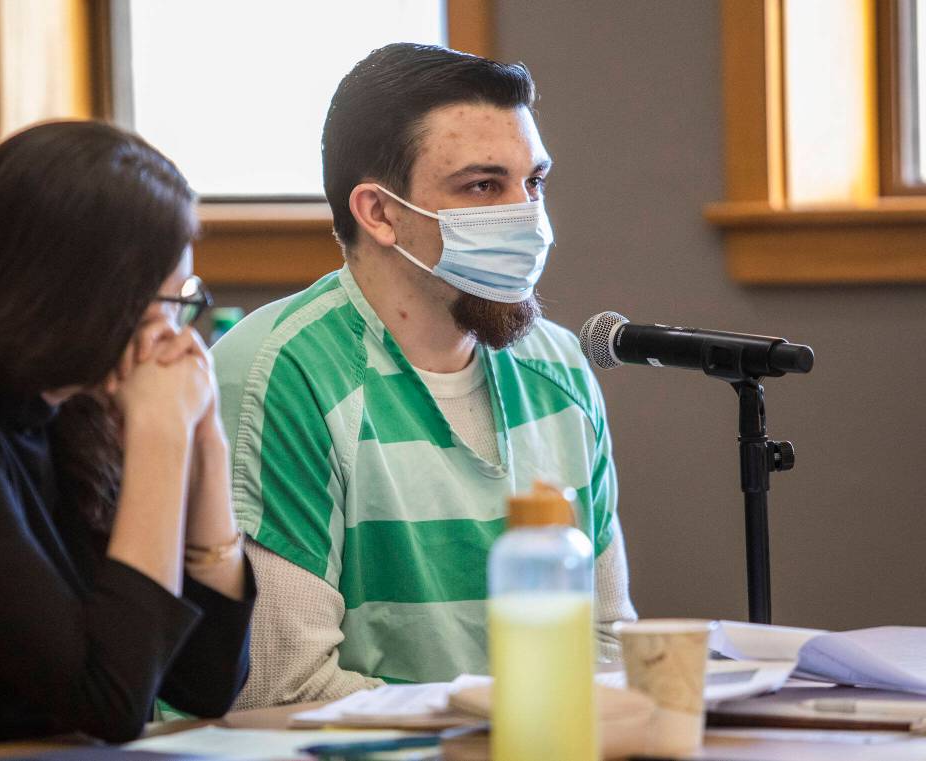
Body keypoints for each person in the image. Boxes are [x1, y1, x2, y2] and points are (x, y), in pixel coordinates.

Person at [214, 43, 637, 709]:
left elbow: (608, 641)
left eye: (535, 183)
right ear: (378, 213)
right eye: (483, 186)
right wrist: (503, 726)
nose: (527, 215)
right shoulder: (280, 372)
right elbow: (283, 690)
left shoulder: (560, 367)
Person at [0, 121, 256, 752]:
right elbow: (110, 701)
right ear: (87, 301)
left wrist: (207, 442)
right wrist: (161, 436)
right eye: (170, 303)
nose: (177, 337)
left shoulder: (69, 408)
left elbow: (206, 684)